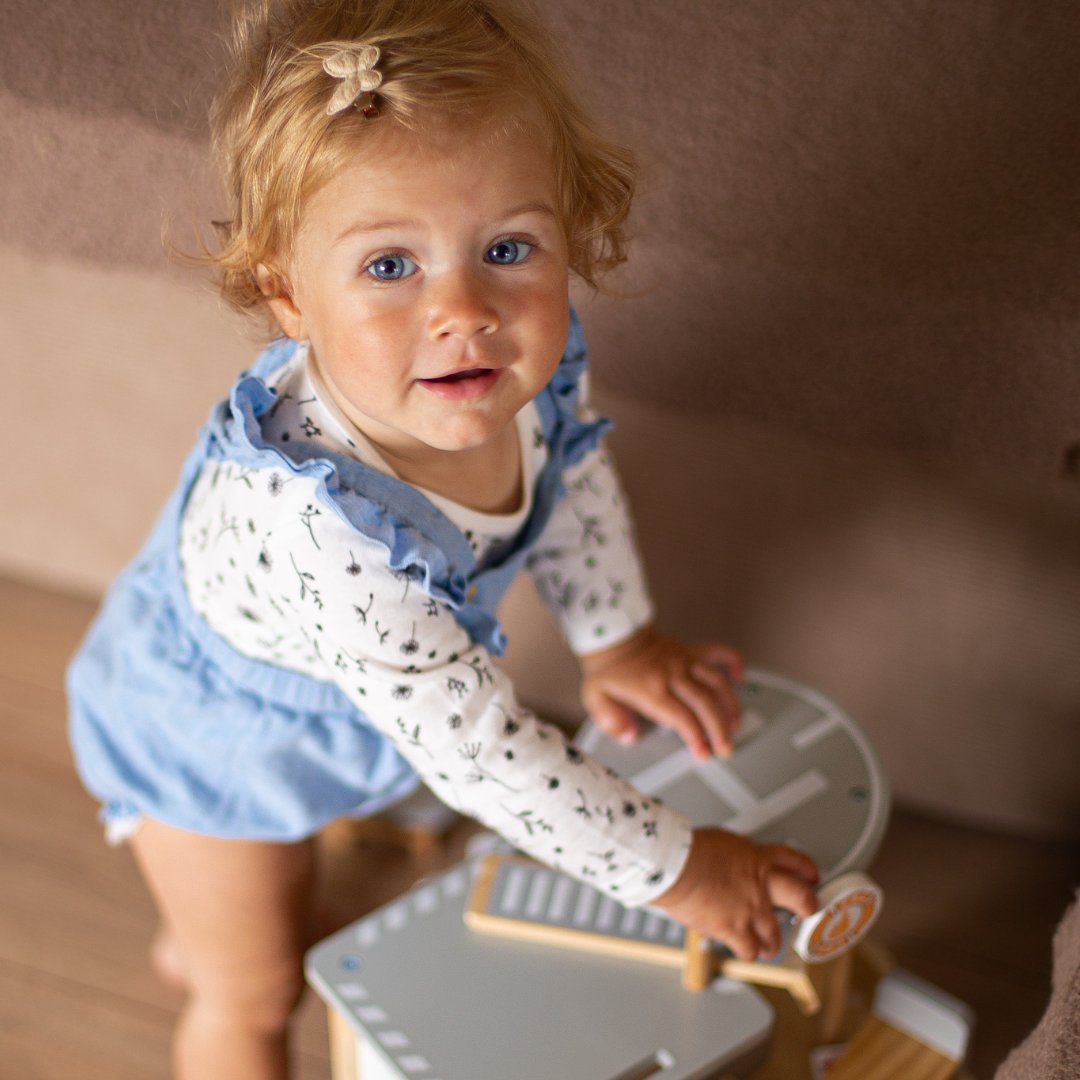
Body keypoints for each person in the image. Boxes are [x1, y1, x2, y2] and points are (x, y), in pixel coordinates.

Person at [66, 1, 820, 1076]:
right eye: (388, 267)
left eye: (508, 247)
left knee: (275, 908)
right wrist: (680, 868)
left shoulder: (527, 368)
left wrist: (617, 640)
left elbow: (576, 478)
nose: (464, 309)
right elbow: (485, 756)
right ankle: (209, 953)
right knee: (255, 987)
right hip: (214, 740)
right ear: (289, 292)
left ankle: (210, 922)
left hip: (358, 696)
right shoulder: (334, 535)